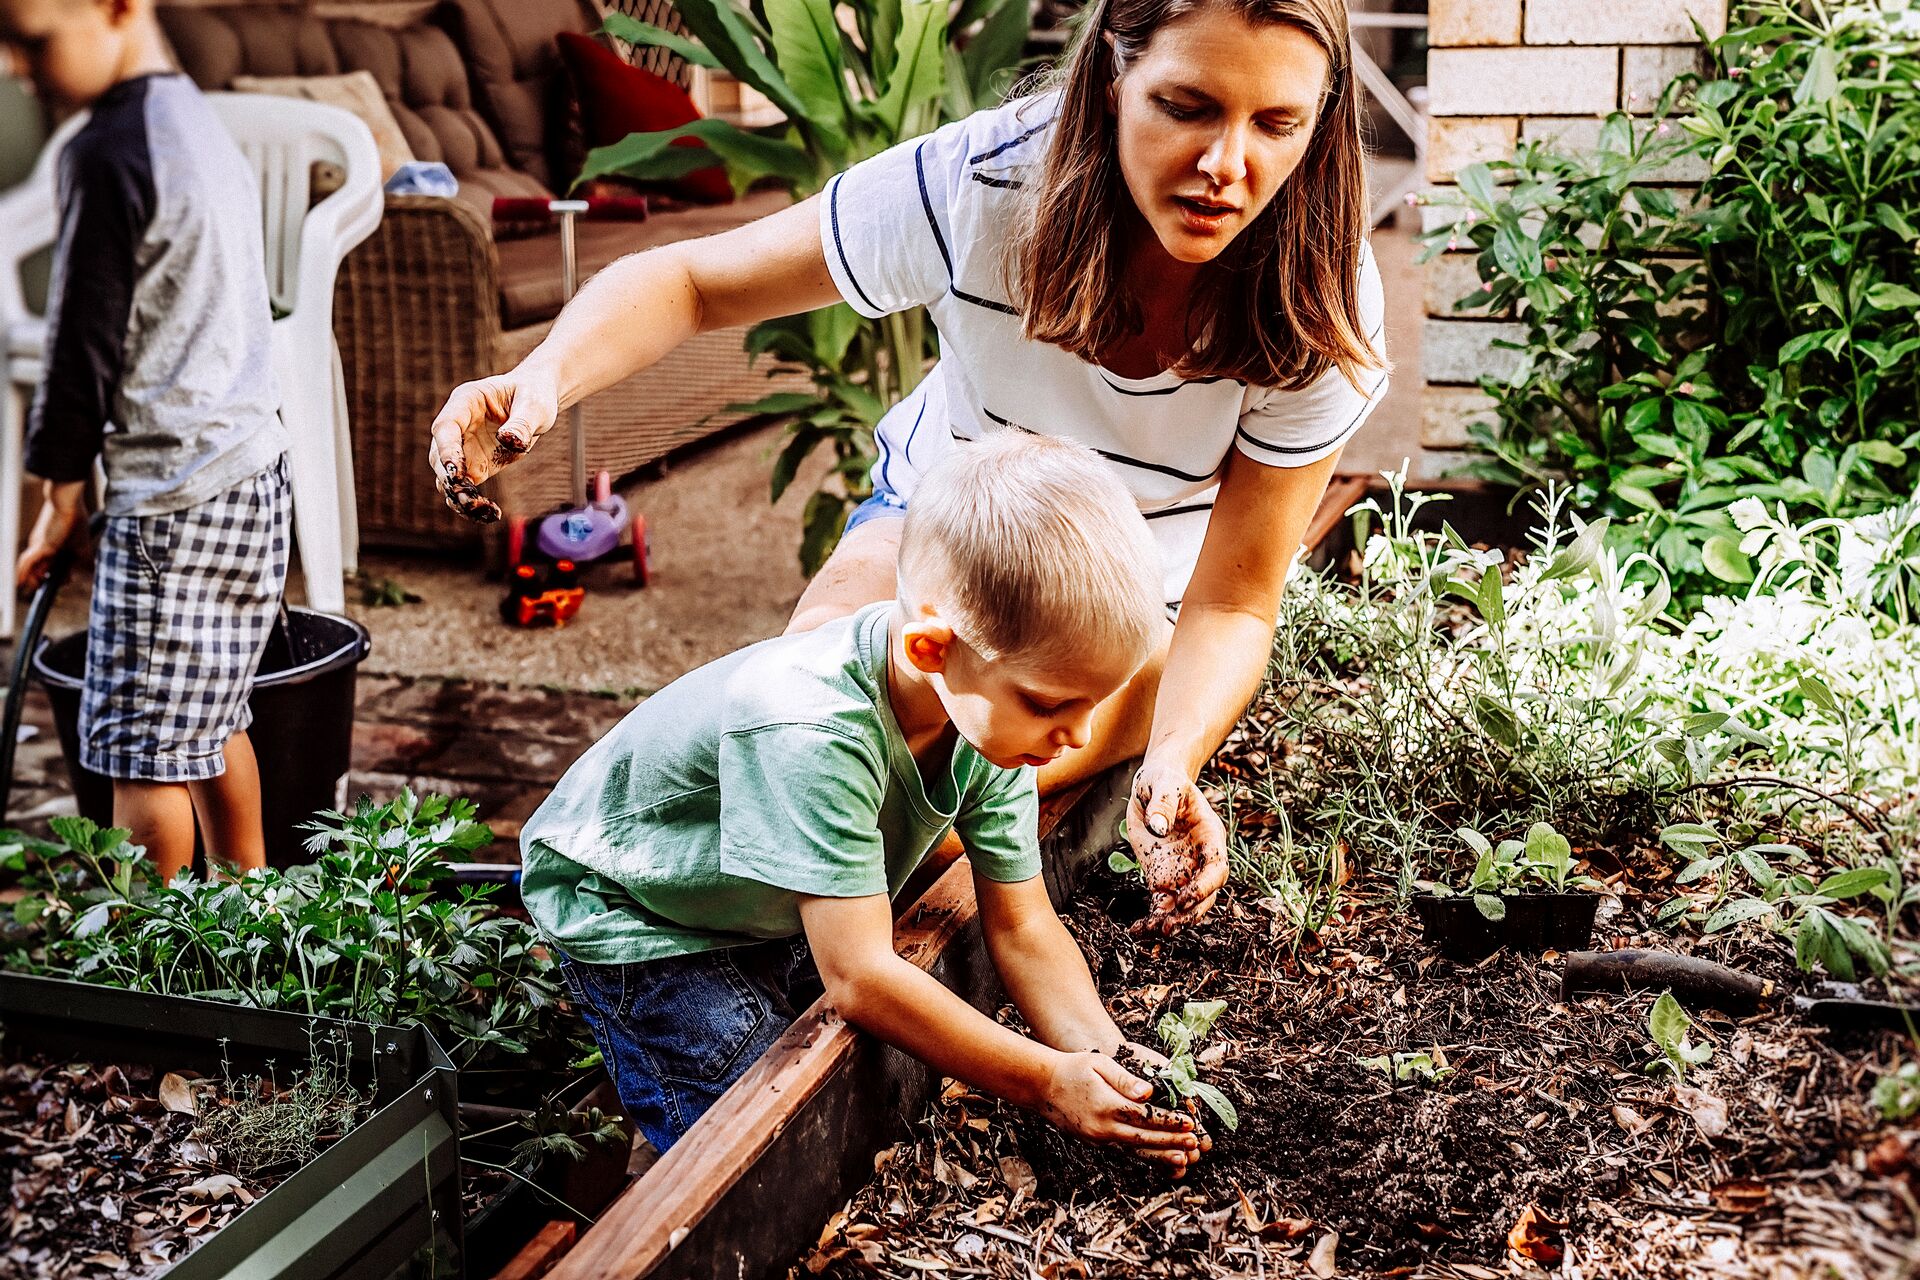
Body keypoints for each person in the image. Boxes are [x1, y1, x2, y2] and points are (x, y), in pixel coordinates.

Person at [430, 0, 1387, 934]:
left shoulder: (1322, 295)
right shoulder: (982, 182)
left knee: (919, 817)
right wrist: (541, 377)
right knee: (812, 720)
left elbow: (1233, 601)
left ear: (1320, 121)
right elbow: (693, 283)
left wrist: (1172, 760)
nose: (1227, 165)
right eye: (1185, 108)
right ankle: (632, 931)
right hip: (949, 513)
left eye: (1277, 124)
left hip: (1138, 589)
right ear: (1107, 78)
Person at [520, 434, 1210, 1166]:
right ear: (930, 650)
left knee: (839, 1076)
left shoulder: (994, 721)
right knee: (763, 1138)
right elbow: (861, 976)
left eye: (1092, 705)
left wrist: (1110, 1063)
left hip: (747, 895)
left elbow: (1024, 928)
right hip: (640, 906)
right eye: (1052, 704)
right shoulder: (812, 727)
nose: (1076, 736)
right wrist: (1043, 1083)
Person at [3, 0, 292, 878]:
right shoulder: (195, 123)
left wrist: (56, 488)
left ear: (118, 8)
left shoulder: (108, 150)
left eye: (31, 40)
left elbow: (82, 340)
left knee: (139, 751)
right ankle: (255, 915)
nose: (16, 67)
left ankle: (144, 966)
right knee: (212, 718)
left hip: (174, 497)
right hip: (253, 474)